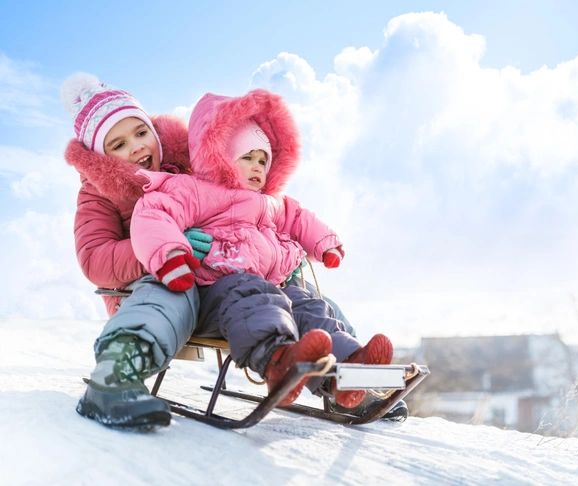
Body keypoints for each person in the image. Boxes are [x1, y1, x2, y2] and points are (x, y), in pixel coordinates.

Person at [130, 90, 393, 409]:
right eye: (247, 158)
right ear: (221, 156)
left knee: (306, 304)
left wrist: (325, 244)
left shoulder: (272, 203)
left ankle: (346, 367)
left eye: (263, 160)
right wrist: (170, 255)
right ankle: (278, 361)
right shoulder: (196, 190)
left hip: (270, 292)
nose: (257, 167)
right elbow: (153, 213)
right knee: (252, 292)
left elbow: (300, 219)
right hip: (215, 294)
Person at [61, 73, 204, 429]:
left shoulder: (185, 172)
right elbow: (94, 258)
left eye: (141, 133)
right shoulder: (98, 193)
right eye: (119, 144)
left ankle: (338, 367)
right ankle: (114, 376)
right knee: (170, 288)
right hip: (143, 290)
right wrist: (163, 246)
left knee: (272, 288)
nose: (137, 147)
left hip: (212, 276)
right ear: (102, 156)